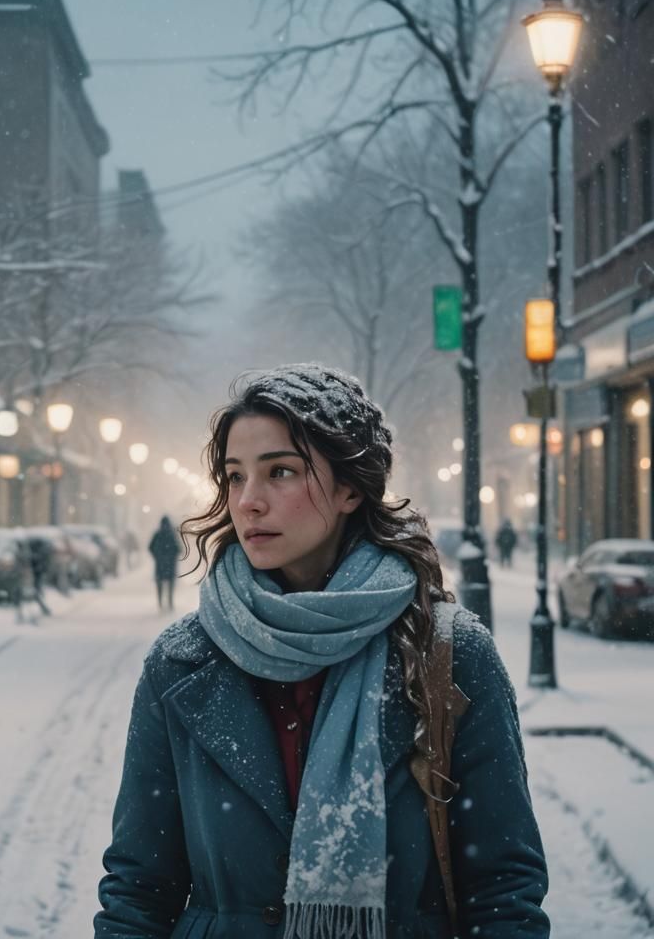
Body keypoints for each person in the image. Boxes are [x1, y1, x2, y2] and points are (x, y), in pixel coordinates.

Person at [96, 363, 548, 939]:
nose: (249, 502)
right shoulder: (183, 662)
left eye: (279, 472)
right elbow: (139, 887)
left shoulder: (447, 654)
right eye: (235, 477)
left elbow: (504, 888)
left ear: (350, 488)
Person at [148, 516, 181, 611]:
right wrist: (172, 556)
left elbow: (150, 547)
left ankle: (160, 603)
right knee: (171, 584)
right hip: (170, 565)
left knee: (159, 584)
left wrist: (157, 556)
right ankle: (170, 602)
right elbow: (178, 549)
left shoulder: (157, 534)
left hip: (160, 564)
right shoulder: (172, 534)